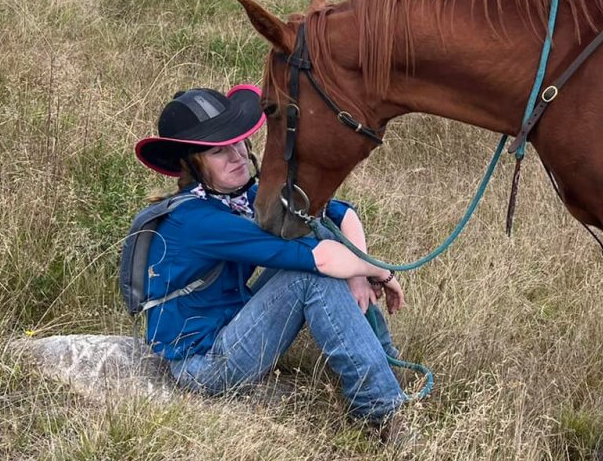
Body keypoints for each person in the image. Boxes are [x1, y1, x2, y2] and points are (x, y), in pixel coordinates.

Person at [133, 85, 410, 436]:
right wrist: (380, 272)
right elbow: (319, 262)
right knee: (309, 274)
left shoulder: (237, 196)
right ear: (191, 163)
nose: (237, 156)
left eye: (239, 142)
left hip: (232, 323)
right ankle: (382, 414)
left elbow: (339, 214)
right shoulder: (197, 220)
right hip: (203, 364)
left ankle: (386, 364)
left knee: (317, 232)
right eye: (219, 151)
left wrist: (358, 276)